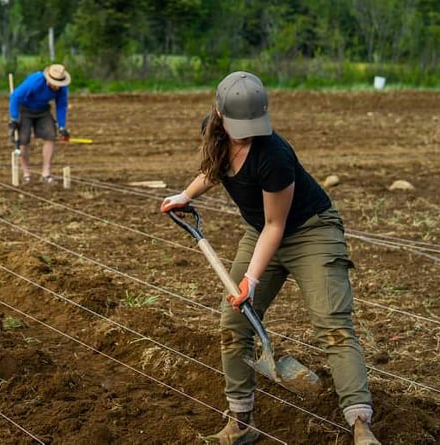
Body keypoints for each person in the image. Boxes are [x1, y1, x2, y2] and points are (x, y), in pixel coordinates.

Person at [160, 72, 380, 445]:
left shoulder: (273, 154)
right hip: (260, 231)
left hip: (310, 230)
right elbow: (213, 169)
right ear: (218, 113)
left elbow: (276, 225)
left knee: (332, 324)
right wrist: (186, 194)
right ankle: (241, 422)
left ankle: (360, 425)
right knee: (233, 322)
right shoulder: (212, 131)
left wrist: (252, 280)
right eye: (236, 126)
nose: (244, 133)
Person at [8, 63, 71, 184]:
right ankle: (26, 174)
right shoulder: (35, 81)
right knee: (23, 139)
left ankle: (46, 174)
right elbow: (15, 97)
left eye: (59, 84)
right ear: (48, 79)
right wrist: (14, 119)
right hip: (25, 109)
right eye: (55, 83)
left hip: (43, 110)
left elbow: (61, 105)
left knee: (50, 135)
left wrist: (62, 126)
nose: (57, 87)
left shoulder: (62, 88)